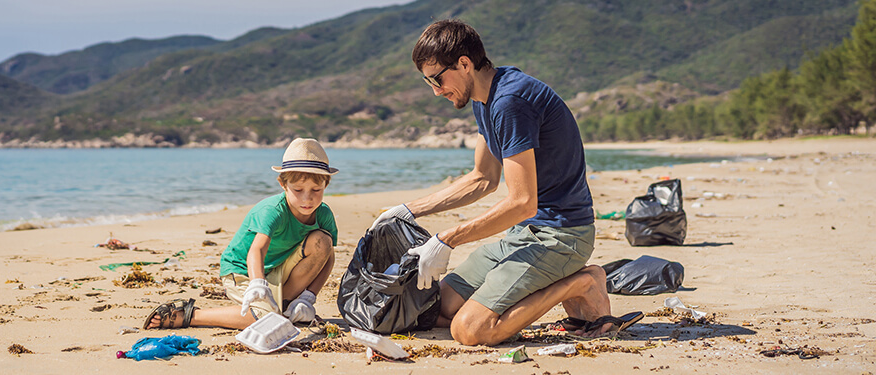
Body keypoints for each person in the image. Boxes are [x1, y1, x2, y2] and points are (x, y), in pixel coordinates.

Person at [370, 20, 639, 346]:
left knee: (470, 331)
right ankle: (550, 283)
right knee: (436, 310)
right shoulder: (484, 98)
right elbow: (483, 179)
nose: (436, 91)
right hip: (524, 234)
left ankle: (582, 281)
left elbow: (523, 202)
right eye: (428, 82)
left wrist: (446, 240)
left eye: (437, 79)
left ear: (465, 64)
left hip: (562, 236)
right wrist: (407, 211)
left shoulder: (510, 102)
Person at [144, 138, 338, 330]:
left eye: (316, 189)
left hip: (279, 269)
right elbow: (257, 250)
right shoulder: (272, 211)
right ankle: (191, 315)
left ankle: (286, 304)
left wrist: (308, 297)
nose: (307, 198)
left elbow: (328, 256)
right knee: (265, 317)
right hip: (242, 271)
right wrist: (257, 284)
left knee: (322, 242)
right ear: (283, 184)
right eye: (298, 189)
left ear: (326, 185)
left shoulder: (323, 214)